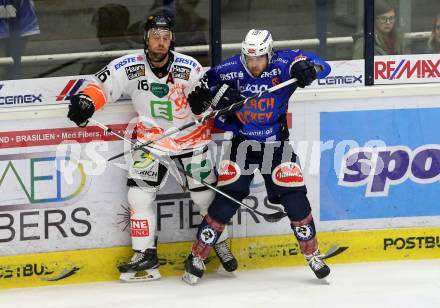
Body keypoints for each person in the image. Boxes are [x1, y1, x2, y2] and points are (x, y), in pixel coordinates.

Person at [66, 14, 238, 282]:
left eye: (166, 37)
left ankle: (220, 243)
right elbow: (101, 84)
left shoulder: (188, 66)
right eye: (155, 37)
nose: (161, 42)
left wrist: (201, 103)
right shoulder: (129, 65)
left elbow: (203, 100)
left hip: (192, 139)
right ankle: (144, 253)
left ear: (172, 40)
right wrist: (86, 102)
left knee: (204, 199)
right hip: (151, 141)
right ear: (146, 38)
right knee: (139, 198)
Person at [181, 29, 331, 285]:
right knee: (225, 202)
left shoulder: (285, 63)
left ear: (269, 53)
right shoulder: (230, 68)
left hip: (277, 146)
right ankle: (197, 256)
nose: (254, 64)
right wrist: (210, 98)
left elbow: (322, 66)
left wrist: (307, 69)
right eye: (249, 58)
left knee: (296, 201)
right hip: (242, 147)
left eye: (260, 58)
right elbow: (202, 87)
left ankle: (313, 254)